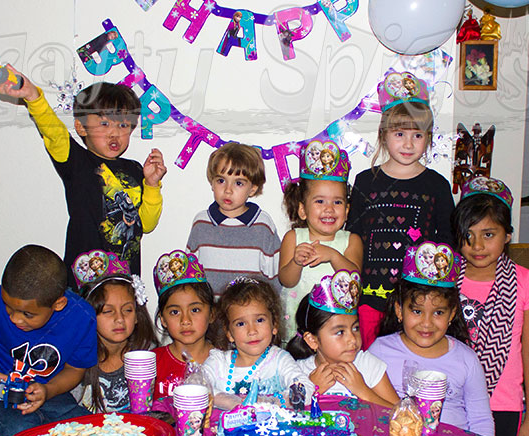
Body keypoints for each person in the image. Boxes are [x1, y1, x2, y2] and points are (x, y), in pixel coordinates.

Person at [0, 65, 167, 282]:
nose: (115, 132)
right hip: (83, 282)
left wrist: (151, 184)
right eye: (104, 123)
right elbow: (54, 132)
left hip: (124, 284)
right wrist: (33, 97)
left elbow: (146, 225)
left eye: (123, 125)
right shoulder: (77, 162)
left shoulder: (133, 169)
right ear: (81, 127)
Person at [347, 71, 454, 348]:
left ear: (428, 138)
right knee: (367, 364)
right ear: (384, 135)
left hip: (419, 303)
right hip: (369, 298)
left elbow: (447, 245)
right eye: (399, 134)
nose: (408, 144)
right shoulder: (364, 181)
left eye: (417, 135)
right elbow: (353, 239)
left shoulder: (437, 186)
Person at [0, 245, 97, 436]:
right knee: (24, 431)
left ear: (58, 304)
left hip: (46, 389)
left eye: (27, 314)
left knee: (87, 428)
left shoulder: (82, 317)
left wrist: (48, 391)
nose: (15, 319)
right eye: (8, 307)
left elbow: (75, 370)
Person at [451, 176, 529, 436]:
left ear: (508, 234)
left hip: (504, 406)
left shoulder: (525, 282)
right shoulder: (446, 279)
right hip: (451, 401)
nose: (477, 245)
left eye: (488, 234)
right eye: (468, 235)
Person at [368, 241, 494, 436]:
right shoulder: (379, 351)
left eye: (438, 313)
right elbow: (366, 408)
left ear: (452, 314)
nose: (426, 323)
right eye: (417, 311)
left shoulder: (467, 359)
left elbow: (481, 420)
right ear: (399, 310)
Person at [279, 140, 362, 341]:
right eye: (319, 201)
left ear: (347, 210)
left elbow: (355, 281)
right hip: (298, 328)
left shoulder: (351, 241)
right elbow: (286, 280)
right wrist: (296, 262)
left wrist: (333, 256)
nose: (329, 208)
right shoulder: (294, 237)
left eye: (337, 202)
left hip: (338, 330)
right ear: (302, 210)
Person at [287, 273, 398, 408]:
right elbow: (285, 416)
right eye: (340, 332)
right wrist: (311, 390)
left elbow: (402, 414)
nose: (352, 339)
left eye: (355, 328)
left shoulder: (368, 365)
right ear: (312, 340)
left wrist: (363, 392)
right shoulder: (298, 372)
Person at [202, 277, 313, 410]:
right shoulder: (218, 362)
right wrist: (230, 402)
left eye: (259, 320)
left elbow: (305, 389)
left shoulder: (280, 360)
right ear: (229, 333)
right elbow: (198, 385)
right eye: (241, 323)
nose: (252, 331)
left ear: (274, 324)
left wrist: (268, 402)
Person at [187, 143, 281, 296]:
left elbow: (274, 278)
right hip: (211, 315)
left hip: (249, 315)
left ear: (252, 189)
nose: (228, 190)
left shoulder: (263, 225)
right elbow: (190, 275)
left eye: (238, 183)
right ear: (212, 183)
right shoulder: (201, 223)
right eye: (221, 181)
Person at [73, 250, 157, 412]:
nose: (119, 318)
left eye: (127, 310)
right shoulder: (77, 363)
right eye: (107, 311)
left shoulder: (149, 355)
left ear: (137, 315)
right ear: (90, 315)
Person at [152, 250, 216, 400]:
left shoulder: (225, 361)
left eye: (195, 310)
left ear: (212, 314)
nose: (185, 320)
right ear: (163, 319)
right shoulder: (153, 362)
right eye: (175, 312)